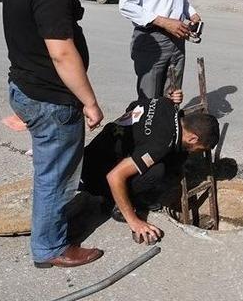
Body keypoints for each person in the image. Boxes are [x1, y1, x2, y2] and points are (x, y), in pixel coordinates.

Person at [3, 0, 105, 269]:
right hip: (50, 100)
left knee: (49, 170)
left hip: (24, 86)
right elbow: (62, 54)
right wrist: (90, 102)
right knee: (57, 176)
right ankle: (50, 247)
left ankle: (48, 228)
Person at [79, 93, 219, 244]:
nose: (195, 152)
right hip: (93, 175)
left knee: (176, 156)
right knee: (157, 171)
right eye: (199, 149)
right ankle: (114, 203)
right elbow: (114, 176)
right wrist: (134, 222)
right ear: (193, 138)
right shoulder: (160, 145)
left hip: (95, 152)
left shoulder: (166, 104)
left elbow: (132, 106)